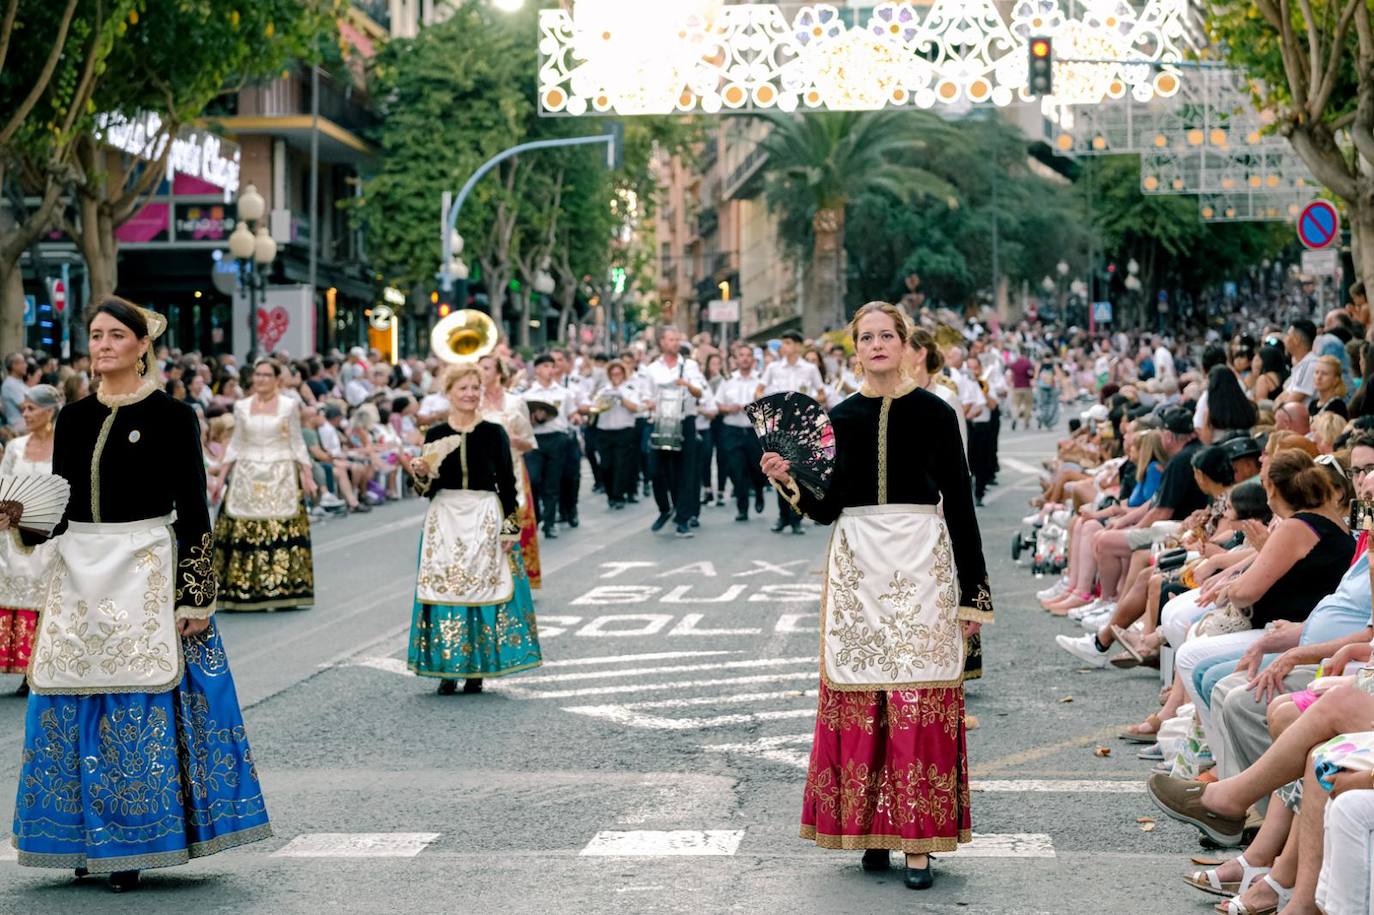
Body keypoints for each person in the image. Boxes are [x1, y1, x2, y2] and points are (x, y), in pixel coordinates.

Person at [10, 296, 270, 890]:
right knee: (69, 699)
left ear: (141, 346)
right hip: (80, 569)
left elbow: (195, 514)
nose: (102, 346)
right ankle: (78, 837)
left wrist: (194, 596)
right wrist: (23, 520)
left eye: (114, 337)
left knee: (139, 703)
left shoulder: (175, 416)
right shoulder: (71, 419)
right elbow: (64, 505)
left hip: (145, 569)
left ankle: (130, 843)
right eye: (95, 335)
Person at [760, 301, 993, 892]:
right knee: (864, 697)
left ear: (905, 342)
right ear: (855, 349)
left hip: (923, 560)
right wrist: (789, 479)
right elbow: (825, 508)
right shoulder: (836, 419)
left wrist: (974, 595)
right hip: (858, 564)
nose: (877, 345)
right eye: (866, 337)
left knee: (917, 695)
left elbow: (960, 504)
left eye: (887, 334)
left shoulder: (938, 414)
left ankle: (918, 845)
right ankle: (869, 831)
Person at [401, 364, 540, 694]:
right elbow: (424, 490)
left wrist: (510, 527)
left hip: (483, 514)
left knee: (482, 588)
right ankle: (447, 668)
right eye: (462, 388)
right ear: (449, 392)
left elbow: (506, 483)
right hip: (445, 517)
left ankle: (477, 668)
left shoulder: (494, 432)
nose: (470, 394)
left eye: (475, 388)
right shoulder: (434, 435)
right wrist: (420, 472)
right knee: (445, 588)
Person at [213, 359, 317, 611]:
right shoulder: (242, 406)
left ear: (277, 379)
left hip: (280, 471)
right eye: (257, 375)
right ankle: (242, 587)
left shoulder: (289, 405)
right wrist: (220, 477)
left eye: (266, 375)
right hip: (247, 472)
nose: (260, 379)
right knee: (244, 529)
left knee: (279, 528)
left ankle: (283, 587)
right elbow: (236, 443)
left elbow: (297, 441)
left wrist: (307, 473)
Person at [0, 384, 60, 696]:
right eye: (23, 408)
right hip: (14, 536)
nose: (25, 414)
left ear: (49, 411)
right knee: (19, 593)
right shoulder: (15, 447)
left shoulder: (65, 446)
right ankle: (25, 667)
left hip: (51, 537)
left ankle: (45, 664)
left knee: (48, 596)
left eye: (31, 409)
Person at [479, 353, 542, 589]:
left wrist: (514, 440)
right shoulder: (472, 403)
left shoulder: (515, 403)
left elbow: (529, 443)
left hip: (512, 467)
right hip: (482, 472)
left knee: (516, 519)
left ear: (498, 373)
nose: (481, 373)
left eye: (486, 368)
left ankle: (519, 579)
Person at [756, 329, 824, 534]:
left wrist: (806, 404)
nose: (782, 347)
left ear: (796, 346)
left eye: (786, 343)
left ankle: (797, 517)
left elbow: (822, 394)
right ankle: (782, 516)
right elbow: (759, 390)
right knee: (779, 468)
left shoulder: (810, 369)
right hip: (779, 427)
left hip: (801, 426)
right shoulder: (774, 368)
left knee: (798, 471)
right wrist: (769, 402)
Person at [643, 327, 707, 538]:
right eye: (671, 339)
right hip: (660, 421)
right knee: (655, 470)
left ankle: (683, 519)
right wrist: (651, 403)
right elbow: (645, 397)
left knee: (684, 472)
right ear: (661, 342)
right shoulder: (652, 368)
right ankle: (665, 508)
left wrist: (687, 384)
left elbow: (699, 392)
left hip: (684, 421)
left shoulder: (689, 365)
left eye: (677, 339)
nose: (675, 342)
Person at [523, 354, 576, 540]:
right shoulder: (527, 395)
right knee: (533, 480)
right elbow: (523, 422)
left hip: (557, 438)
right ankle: (536, 516)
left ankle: (550, 523)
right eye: (545, 366)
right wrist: (536, 419)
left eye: (552, 366)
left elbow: (571, 415)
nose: (549, 370)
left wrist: (577, 417)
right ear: (537, 369)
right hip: (535, 440)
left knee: (552, 484)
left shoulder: (564, 393)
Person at [716, 343, 767, 522]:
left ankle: (759, 491)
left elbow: (769, 405)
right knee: (737, 470)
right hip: (732, 430)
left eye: (748, 355)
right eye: (741, 355)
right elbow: (719, 404)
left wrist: (753, 408)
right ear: (736, 359)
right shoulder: (728, 379)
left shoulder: (760, 380)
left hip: (754, 431)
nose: (744, 358)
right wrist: (729, 408)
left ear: (753, 360)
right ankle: (742, 508)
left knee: (757, 468)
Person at [592, 360, 642, 510]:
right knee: (606, 465)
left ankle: (619, 495)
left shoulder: (630, 388)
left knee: (621, 464)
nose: (615, 376)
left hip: (624, 430)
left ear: (623, 374)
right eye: (612, 374)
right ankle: (610, 494)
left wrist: (621, 397)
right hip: (604, 430)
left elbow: (635, 408)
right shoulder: (603, 389)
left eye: (618, 373)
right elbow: (594, 407)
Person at [1309, 354, 1349, 418]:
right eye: (1316, 372)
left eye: (1324, 374)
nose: (1318, 377)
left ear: (1335, 380)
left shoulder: (1337, 406)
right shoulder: (1313, 404)